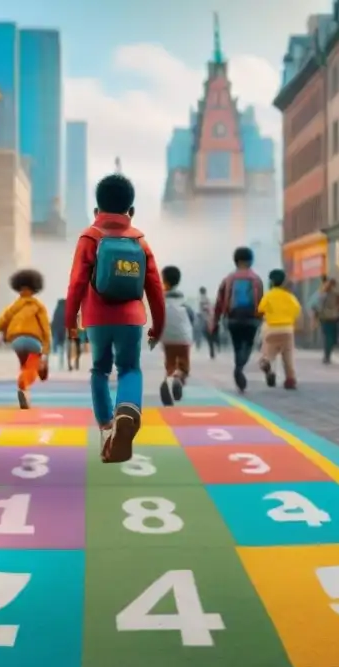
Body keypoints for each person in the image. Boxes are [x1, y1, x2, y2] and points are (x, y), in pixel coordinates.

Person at [65, 173, 165, 463]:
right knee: (130, 369)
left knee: (99, 370)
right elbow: (155, 286)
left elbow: (76, 283)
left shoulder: (89, 237)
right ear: (130, 212)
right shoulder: (140, 241)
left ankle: (107, 426)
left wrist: (70, 319)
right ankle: (127, 409)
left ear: (97, 210)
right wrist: (158, 324)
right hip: (132, 318)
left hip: (97, 318)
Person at [0, 269, 51, 409]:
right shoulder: (38, 306)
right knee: (31, 369)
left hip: (17, 342)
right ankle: (23, 384)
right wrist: (46, 348)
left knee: (24, 367)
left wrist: (4, 332)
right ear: (35, 287)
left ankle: (25, 394)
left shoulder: (15, 306)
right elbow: (45, 329)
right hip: (34, 341)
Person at [212, 246, 264, 392]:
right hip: (252, 319)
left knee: (237, 345)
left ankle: (238, 364)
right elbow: (261, 300)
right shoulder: (256, 279)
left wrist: (215, 321)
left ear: (235, 261)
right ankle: (240, 366)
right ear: (251, 261)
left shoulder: (228, 279)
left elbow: (219, 302)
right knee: (248, 344)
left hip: (232, 318)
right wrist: (262, 317)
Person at [257, 268, 301, 389]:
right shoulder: (289, 296)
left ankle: (267, 366)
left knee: (268, 354)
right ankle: (290, 379)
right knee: (288, 356)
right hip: (287, 330)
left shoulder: (268, 296)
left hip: (271, 330)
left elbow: (260, 309)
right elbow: (297, 310)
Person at [158, 265, 194, 405]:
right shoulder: (184, 301)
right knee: (184, 366)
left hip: (167, 339)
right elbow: (192, 318)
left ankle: (168, 380)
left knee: (170, 363)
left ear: (164, 280)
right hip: (183, 338)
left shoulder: (160, 300)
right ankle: (179, 377)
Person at [313, 276, 339, 364]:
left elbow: (317, 305)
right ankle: (327, 354)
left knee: (328, 337)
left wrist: (316, 316)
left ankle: (327, 355)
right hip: (333, 317)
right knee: (331, 336)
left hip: (324, 317)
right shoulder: (336, 293)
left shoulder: (322, 293)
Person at [198, 287, 218, 358]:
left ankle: (212, 350)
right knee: (209, 336)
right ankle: (212, 350)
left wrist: (201, 315)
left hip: (206, 320)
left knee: (207, 335)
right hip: (208, 319)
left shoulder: (203, 299)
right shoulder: (206, 299)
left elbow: (205, 309)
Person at [51, 298, 67, 366]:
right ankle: (61, 362)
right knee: (62, 347)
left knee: (55, 345)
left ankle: (54, 360)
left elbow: (53, 322)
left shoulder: (56, 310)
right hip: (63, 331)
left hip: (56, 331)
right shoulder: (65, 310)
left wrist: (52, 331)